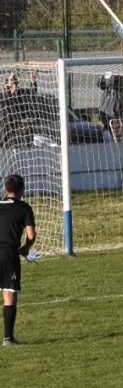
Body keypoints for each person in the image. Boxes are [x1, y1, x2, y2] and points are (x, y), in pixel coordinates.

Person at [0, 175, 36, 346]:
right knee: (9, 294)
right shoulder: (24, 208)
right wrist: (25, 248)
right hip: (9, 253)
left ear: (5, 189)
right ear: (22, 190)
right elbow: (31, 235)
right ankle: (8, 338)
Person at [0, 72, 38, 149]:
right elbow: (8, 98)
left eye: (16, 84)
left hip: (17, 122)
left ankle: (29, 148)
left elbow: (32, 92)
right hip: (5, 123)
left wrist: (33, 81)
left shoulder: (20, 92)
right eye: (12, 84)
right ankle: (6, 151)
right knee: (2, 132)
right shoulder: (2, 95)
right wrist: (8, 86)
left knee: (27, 128)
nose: (14, 86)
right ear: (6, 85)